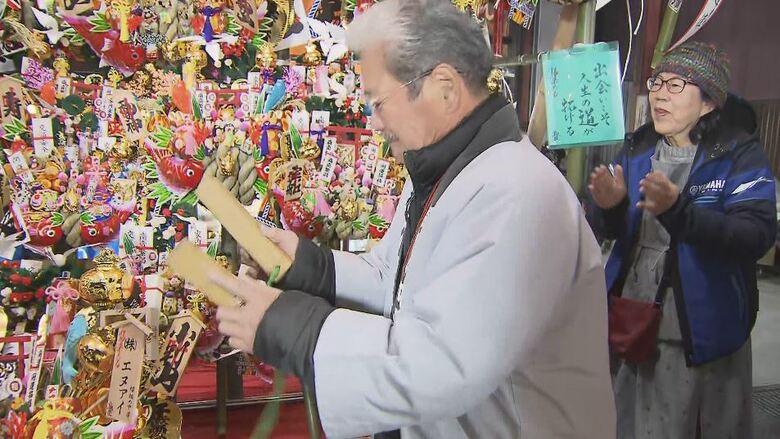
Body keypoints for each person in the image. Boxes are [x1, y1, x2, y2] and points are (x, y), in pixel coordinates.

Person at [212, 0, 615, 437]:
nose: (375, 122)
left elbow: (441, 362)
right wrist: (307, 265)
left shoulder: (517, 190)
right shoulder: (447, 172)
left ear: (443, 87)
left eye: (378, 103)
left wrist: (290, 326)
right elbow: (395, 281)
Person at [588, 41, 776, 439]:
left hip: (698, 330)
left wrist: (679, 212)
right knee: (627, 421)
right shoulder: (638, 148)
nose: (659, 93)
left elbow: (755, 234)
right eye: (658, 82)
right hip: (631, 320)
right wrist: (611, 208)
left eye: (676, 85)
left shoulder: (736, 155)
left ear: (708, 102)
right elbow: (610, 231)